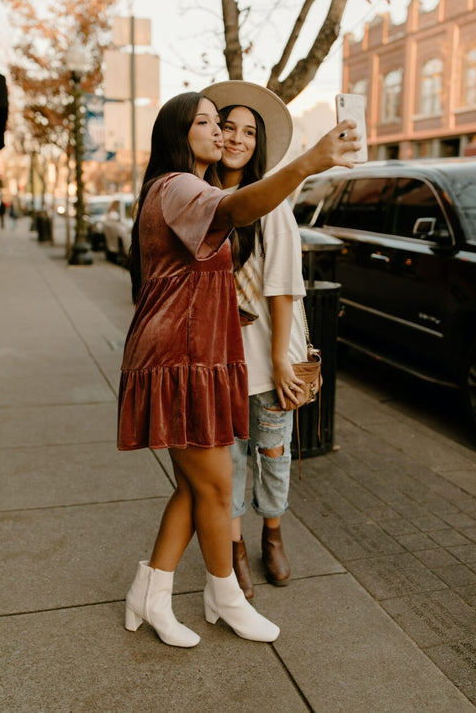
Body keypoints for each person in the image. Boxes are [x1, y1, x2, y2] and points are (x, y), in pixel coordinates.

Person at [118, 89, 359, 648]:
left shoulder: (183, 187)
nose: (220, 132)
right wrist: (311, 161)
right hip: (180, 358)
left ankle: (149, 595)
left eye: (221, 123)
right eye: (206, 122)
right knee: (219, 485)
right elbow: (236, 210)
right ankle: (223, 596)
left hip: (189, 355)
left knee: (192, 487)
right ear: (182, 134)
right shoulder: (180, 186)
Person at [204, 81, 306, 599]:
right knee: (228, 460)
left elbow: (283, 288)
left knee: (272, 452)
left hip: (265, 362)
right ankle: (236, 547)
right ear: (213, 133)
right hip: (214, 363)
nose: (238, 138)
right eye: (229, 127)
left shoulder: (273, 205)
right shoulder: (197, 198)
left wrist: (280, 360)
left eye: (249, 131)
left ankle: (273, 533)